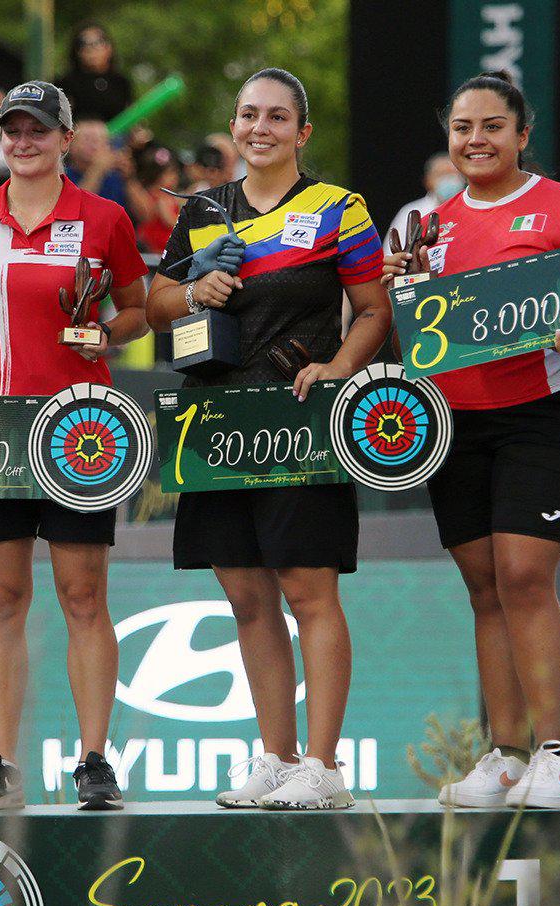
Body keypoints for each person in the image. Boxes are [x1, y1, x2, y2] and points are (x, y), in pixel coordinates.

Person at [144, 68, 390, 810]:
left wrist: (340, 367)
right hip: (217, 421)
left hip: (299, 418)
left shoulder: (339, 210)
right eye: (249, 114)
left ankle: (324, 767)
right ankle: (276, 760)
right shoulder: (204, 210)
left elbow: (374, 310)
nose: (260, 128)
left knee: (309, 590)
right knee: (246, 596)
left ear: (301, 132)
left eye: (277, 117)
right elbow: (156, 308)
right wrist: (196, 292)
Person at [380, 70, 560, 810]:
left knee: (524, 575)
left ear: (523, 135)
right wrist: (406, 290)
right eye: (462, 128)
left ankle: (555, 757)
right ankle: (506, 755)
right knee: (485, 587)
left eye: (491, 127)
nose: (475, 140)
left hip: (546, 415)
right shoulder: (431, 223)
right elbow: (420, 337)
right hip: (455, 423)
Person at [0, 82, 149, 811]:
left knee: (83, 596)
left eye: (39, 130)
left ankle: (95, 762)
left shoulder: (103, 218)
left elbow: (140, 308)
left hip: (80, 430)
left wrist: (108, 333)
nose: (24, 141)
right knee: (0, 597)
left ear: (66, 138)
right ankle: (3, 763)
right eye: (12, 130)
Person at [54, 21, 131, 123]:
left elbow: (131, 116)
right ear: (76, 50)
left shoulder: (121, 82)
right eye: (83, 43)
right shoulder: (65, 83)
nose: (91, 48)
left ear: (109, 47)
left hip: (117, 135)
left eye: (98, 42)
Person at [387, 152, 464, 241]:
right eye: (442, 175)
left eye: (453, 174)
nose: (449, 180)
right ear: (427, 181)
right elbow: (392, 252)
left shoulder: (473, 207)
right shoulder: (411, 212)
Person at [63, 117, 127, 210]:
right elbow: (73, 207)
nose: (95, 144)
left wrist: (130, 179)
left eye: (101, 139)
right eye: (87, 139)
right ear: (70, 145)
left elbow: (147, 216)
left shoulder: (117, 175)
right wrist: (97, 169)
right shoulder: (60, 176)